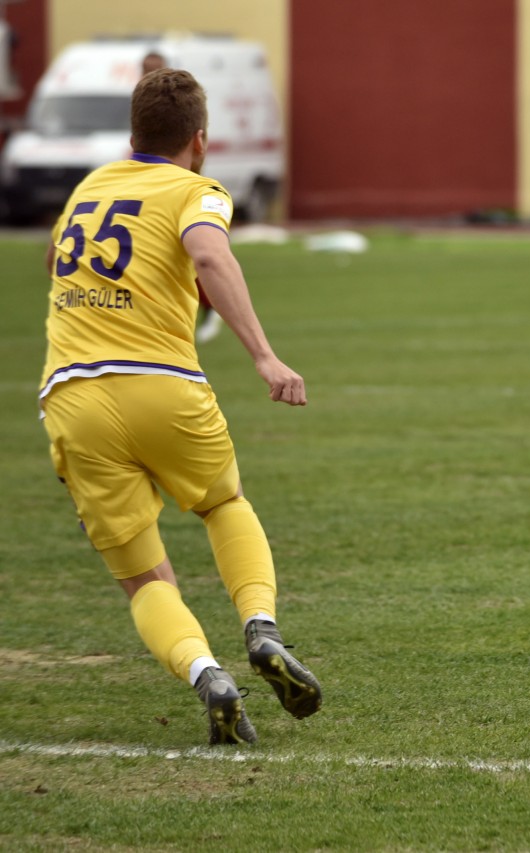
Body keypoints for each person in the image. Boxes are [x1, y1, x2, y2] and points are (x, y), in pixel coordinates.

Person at [39, 68, 321, 744]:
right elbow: (208, 254)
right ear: (200, 139)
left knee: (143, 577)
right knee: (223, 505)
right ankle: (260, 629)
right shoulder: (198, 190)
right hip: (162, 386)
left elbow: (56, 259)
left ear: (132, 132)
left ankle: (207, 676)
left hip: (72, 395)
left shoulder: (91, 187)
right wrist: (263, 354)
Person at [141, 50, 224, 342]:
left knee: (197, 252)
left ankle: (211, 306)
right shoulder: (141, 102)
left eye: (153, 67)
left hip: (172, 187)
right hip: (146, 188)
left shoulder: (176, 103)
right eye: (145, 67)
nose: (148, 71)